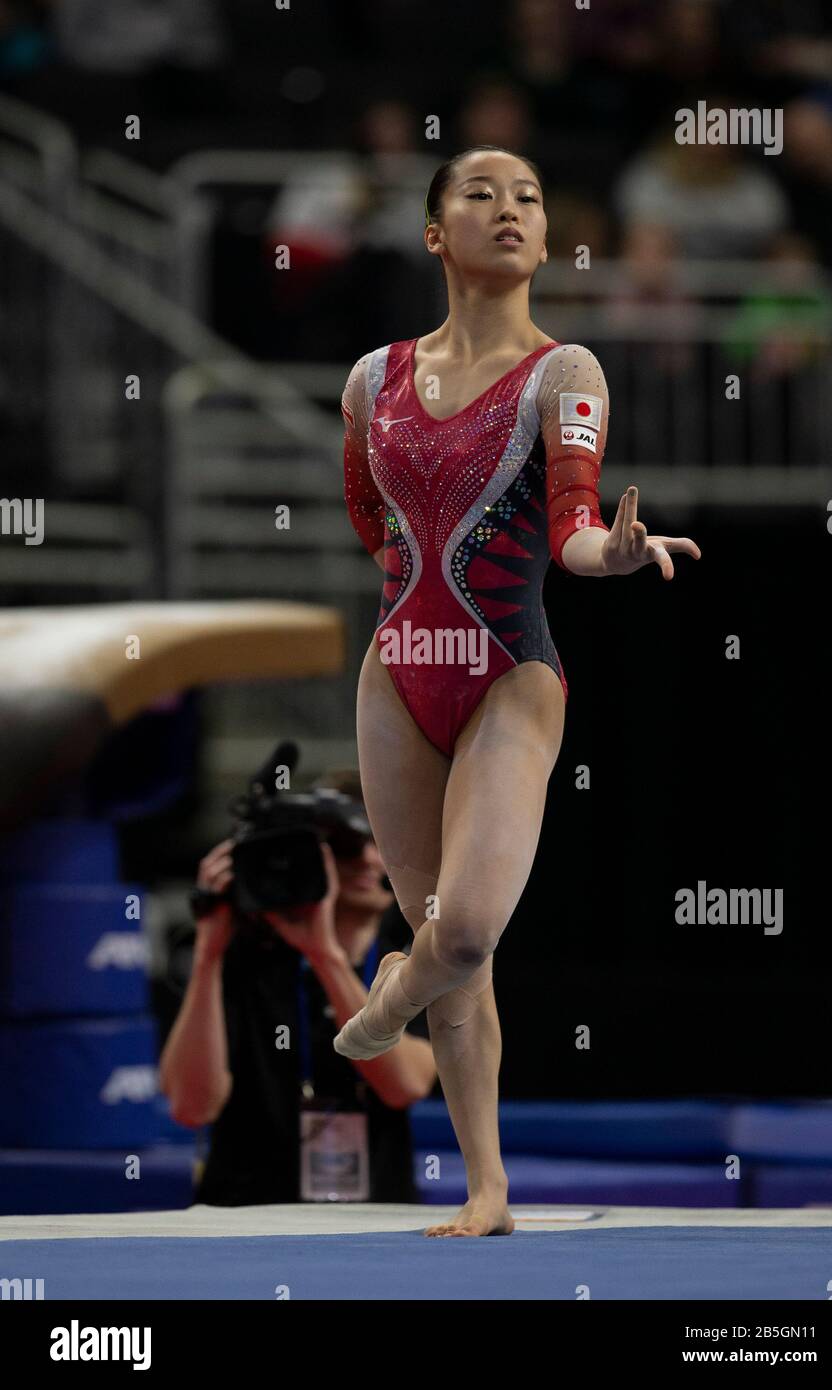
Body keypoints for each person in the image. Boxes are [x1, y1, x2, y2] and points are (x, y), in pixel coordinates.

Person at [336, 144, 701, 1237]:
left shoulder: (565, 372)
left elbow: (575, 522)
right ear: (437, 234)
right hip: (398, 671)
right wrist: (411, 594)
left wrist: (612, 556)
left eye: (531, 198)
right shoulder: (371, 377)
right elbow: (368, 515)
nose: (510, 210)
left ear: (545, 239)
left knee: (459, 935)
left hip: (508, 667)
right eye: (480, 196)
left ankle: (384, 999)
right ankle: (487, 1185)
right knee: (457, 953)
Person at [158, 772, 437, 1206]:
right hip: (240, 1223)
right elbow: (191, 1106)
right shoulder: (244, 964)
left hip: (376, 1229)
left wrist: (324, 955)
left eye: (382, 842)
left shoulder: (411, 966)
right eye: (346, 847)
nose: (368, 860)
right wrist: (208, 953)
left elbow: (404, 1084)